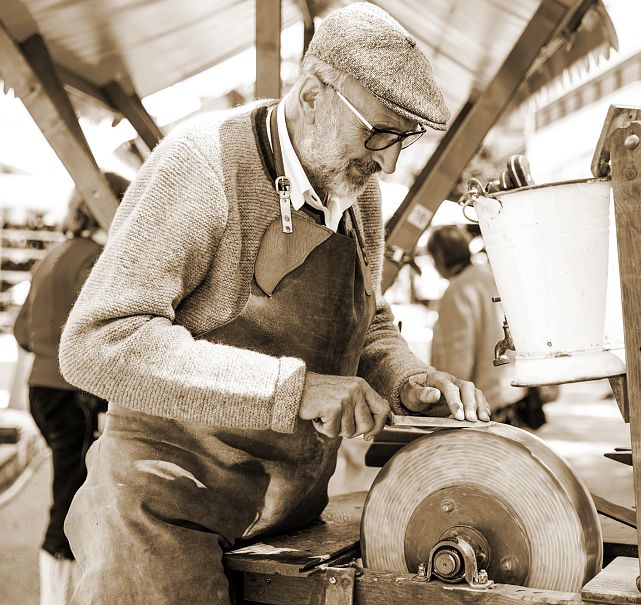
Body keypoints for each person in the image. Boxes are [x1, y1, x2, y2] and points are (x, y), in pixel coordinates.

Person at [57, 5, 489, 603]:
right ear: (313, 94)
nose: (389, 162)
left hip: (287, 517)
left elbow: (368, 322)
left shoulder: (357, 192)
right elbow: (99, 344)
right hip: (162, 511)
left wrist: (406, 377)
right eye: (380, 133)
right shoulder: (201, 166)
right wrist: (297, 389)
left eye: (405, 138)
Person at [13, 173, 129, 605]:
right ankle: (58, 598)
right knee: (71, 501)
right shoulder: (97, 258)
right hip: (73, 392)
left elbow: (23, 331)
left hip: (41, 390)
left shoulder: (54, 254)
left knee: (69, 492)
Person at [427, 226, 546, 429]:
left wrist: (445, 405)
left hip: (486, 403)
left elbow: (458, 358)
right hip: (513, 392)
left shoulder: (458, 290)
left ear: (439, 257)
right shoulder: (488, 276)